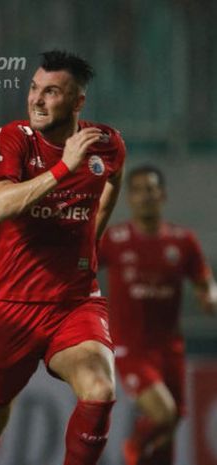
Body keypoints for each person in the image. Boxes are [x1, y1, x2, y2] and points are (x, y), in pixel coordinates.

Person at [0, 50, 126, 465]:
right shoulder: (11, 139)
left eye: (51, 92)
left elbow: (112, 179)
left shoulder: (107, 144)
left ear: (78, 102)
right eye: (33, 88)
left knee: (99, 390)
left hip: (73, 303)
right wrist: (64, 169)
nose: (37, 100)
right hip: (9, 309)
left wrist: (91, 240)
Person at [98, 165, 217, 465]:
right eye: (137, 190)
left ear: (161, 195)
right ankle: (133, 448)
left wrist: (210, 296)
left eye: (150, 190)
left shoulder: (182, 241)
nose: (144, 197)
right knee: (163, 413)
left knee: (171, 425)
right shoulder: (115, 239)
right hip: (131, 348)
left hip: (170, 349)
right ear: (130, 199)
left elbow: (205, 282)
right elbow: (79, 268)